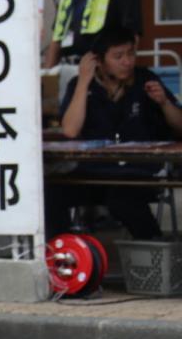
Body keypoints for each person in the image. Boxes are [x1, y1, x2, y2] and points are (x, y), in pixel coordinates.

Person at [46, 28, 182, 239]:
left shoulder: (145, 80)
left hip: (137, 174)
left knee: (122, 198)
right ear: (98, 61)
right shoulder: (81, 86)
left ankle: (155, 253)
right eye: (118, 56)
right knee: (52, 193)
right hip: (94, 173)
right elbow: (70, 130)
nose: (127, 61)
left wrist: (164, 103)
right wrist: (83, 81)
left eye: (130, 54)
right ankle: (63, 255)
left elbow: (179, 124)